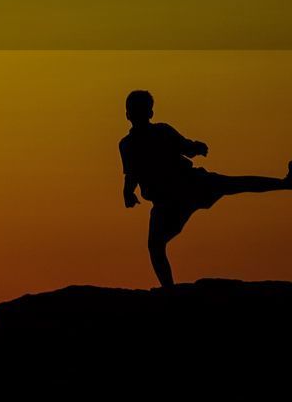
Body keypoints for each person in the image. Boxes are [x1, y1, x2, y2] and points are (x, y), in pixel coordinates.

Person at [120, 90, 291, 287]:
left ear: (128, 115)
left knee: (156, 247)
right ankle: (285, 183)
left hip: (181, 191)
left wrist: (128, 193)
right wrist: (197, 147)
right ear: (150, 113)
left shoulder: (133, 142)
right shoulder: (155, 134)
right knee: (236, 184)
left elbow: (132, 174)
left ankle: (168, 289)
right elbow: (183, 151)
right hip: (179, 194)